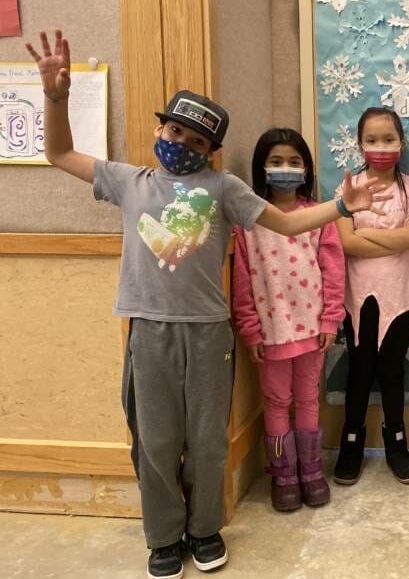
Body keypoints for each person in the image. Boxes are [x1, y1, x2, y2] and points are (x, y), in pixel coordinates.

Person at [25, 30, 387, 579]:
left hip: (210, 332)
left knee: (207, 438)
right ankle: (164, 536)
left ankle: (204, 528)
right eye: (176, 131)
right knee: (156, 438)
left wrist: (340, 205)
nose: (183, 144)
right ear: (159, 129)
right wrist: (55, 99)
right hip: (149, 331)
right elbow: (58, 153)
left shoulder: (225, 188)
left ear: (211, 152)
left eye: (197, 142)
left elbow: (287, 223)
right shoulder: (129, 182)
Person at [232, 128, 345, 512]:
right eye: (276, 161)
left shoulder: (319, 216)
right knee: (277, 402)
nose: (286, 169)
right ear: (261, 168)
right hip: (271, 329)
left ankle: (311, 472)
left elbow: (333, 270)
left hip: (313, 328)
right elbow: (242, 278)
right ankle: (283, 475)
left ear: (307, 169)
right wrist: (249, 330)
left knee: (309, 398)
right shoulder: (247, 220)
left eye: (294, 162)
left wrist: (331, 319)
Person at [333, 107, 409, 486]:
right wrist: (393, 240)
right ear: (360, 144)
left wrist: (367, 237)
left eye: (388, 139)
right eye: (371, 140)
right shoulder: (348, 188)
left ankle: (397, 445)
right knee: (359, 371)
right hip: (357, 298)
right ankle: (351, 444)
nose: (380, 147)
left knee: (392, 371)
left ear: (401, 143)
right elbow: (345, 243)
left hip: (399, 296)